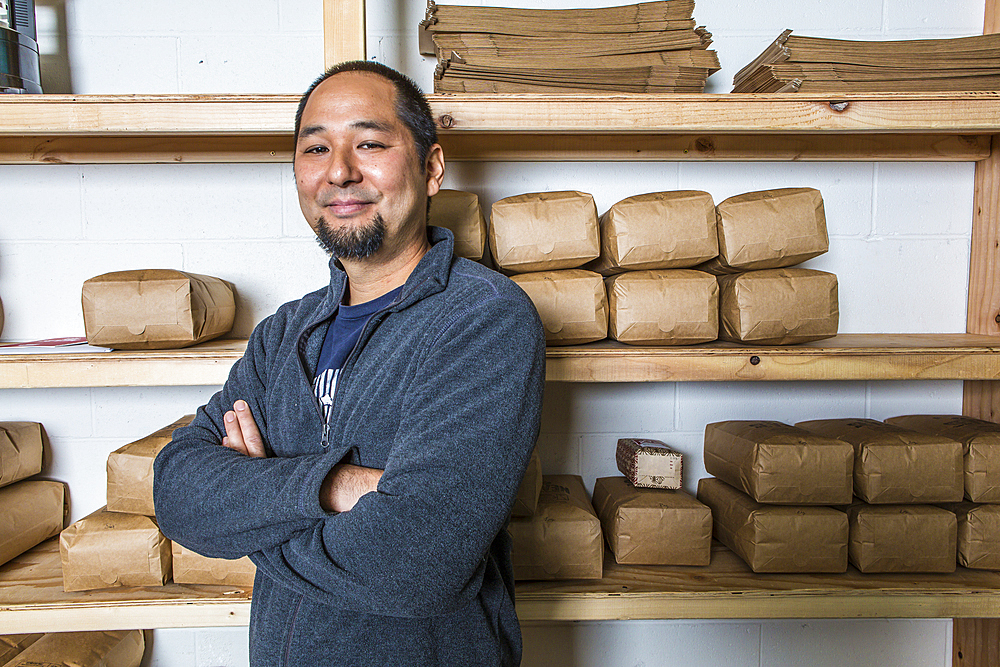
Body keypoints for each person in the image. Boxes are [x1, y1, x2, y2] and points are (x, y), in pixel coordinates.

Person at [153, 60, 546, 667]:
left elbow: (416, 563)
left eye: (369, 143)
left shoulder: (482, 317)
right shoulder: (283, 333)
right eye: (316, 149)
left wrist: (253, 515)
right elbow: (178, 491)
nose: (339, 171)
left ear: (432, 167)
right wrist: (338, 487)